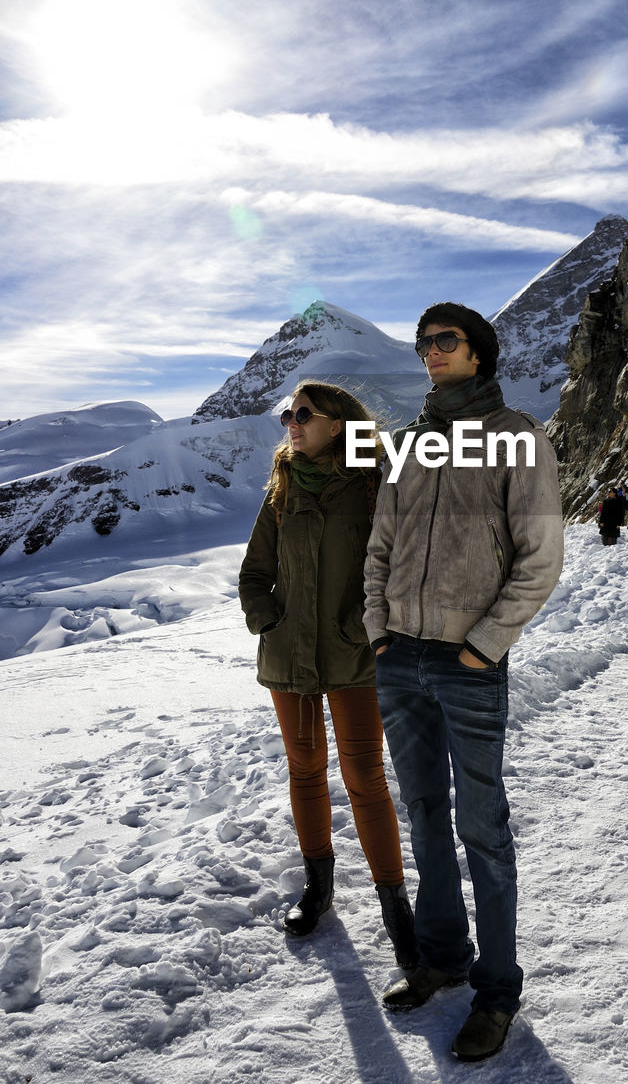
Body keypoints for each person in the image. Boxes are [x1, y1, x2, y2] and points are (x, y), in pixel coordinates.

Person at [364, 302, 564, 1063]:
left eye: (445, 342)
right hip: (399, 658)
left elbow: (539, 554)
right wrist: (377, 629)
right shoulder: (409, 444)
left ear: (478, 354)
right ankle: (442, 958)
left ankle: (497, 988)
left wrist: (484, 645)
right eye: (422, 344)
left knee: (482, 828)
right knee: (421, 811)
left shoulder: (518, 437)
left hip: (468, 661)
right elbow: (381, 546)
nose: (430, 353)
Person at [238, 381, 416, 969]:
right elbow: (255, 568)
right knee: (305, 768)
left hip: (353, 652)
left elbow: (400, 566)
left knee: (365, 775)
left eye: (304, 415)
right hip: (289, 653)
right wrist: (268, 618)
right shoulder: (283, 485)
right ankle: (319, 886)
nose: (291, 422)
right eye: (287, 414)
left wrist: (365, 623)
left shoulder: (375, 483)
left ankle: (395, 906)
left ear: (337, 424)